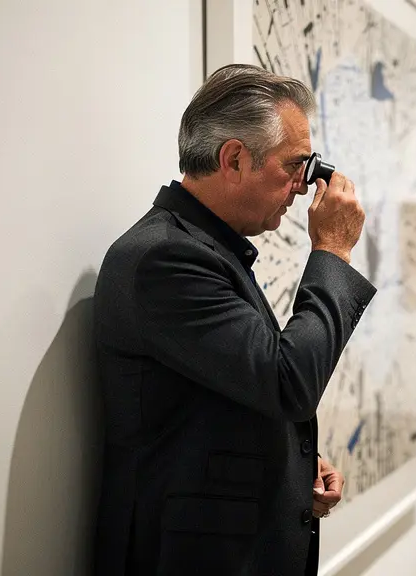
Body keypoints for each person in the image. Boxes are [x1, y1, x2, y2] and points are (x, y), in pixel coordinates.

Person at [92, 64, 374, 576]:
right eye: (297, 165)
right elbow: (287, 382)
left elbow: (227, 392)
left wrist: (293, 468)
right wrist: (332, 250)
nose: (303, 186)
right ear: (235, 159)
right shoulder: (165, 259)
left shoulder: (205, 250)